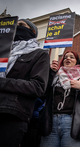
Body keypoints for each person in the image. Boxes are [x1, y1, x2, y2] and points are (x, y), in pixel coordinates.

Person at [0, 19, 50, 147]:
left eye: (21, 25)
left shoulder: (39, 54)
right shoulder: (3, 53)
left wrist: (4, 83)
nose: (17, 27)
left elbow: (37, 87)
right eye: (15, 25)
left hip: (12, 114)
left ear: (32, 31)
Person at [39, 51, 80, 147]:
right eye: (66, 57)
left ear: (77, 61)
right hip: (51, 122)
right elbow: (42, 94)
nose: (68, 59)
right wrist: (50, 74)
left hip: (73, 123)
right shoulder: (55, 76)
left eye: (72, 57)